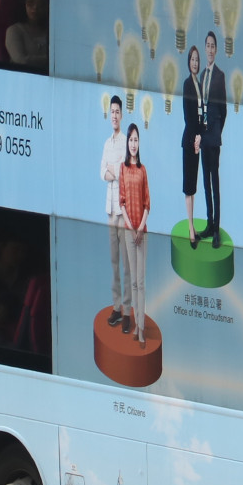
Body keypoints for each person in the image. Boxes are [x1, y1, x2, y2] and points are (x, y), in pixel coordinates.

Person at [182, 35, 228, 248]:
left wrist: (216, 132)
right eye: (207, 46)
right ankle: (209, 223)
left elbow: (223, 110)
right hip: (202, 138)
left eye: (212, 46)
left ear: (216, 50)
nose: (209, 50)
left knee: (214, 183)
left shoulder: (220, 75)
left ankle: (216, 229)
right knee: (205, 184)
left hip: (213, 139)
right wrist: (202, 134)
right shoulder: (200, 76)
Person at [100, 96, 130, 331]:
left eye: (117, 111)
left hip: (124, 210)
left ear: (122, 114)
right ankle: (117, 307)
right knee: (113, 263)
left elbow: (125, 172)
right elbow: (103, 173)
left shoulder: (126, 142)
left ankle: (127, 311)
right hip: (110, 209)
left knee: (127, 263)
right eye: (112, 112)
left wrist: (115, 169)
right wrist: (112, 169)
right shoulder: (107, 143)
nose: (114, 115)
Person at [119, 124, 151, 343]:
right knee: (132, 282)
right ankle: (136, 323)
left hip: (142, 232)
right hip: (129, 232)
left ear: (139, 143)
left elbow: (148, 203)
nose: (133, 144)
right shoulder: (123, 168)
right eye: (130, 140)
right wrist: (131, 227)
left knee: (141, 282)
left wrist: (140, 227)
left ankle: (141, 327)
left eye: (136, 140)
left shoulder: (143, 169)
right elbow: (121, 202)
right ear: (127, 143)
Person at [5, 0, 50, 70]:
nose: (35, 7)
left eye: (41, 4)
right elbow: (20, 60)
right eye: (31, 3)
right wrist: (50, 59)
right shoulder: (14, 30)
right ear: (23, 4)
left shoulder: (51, 31)